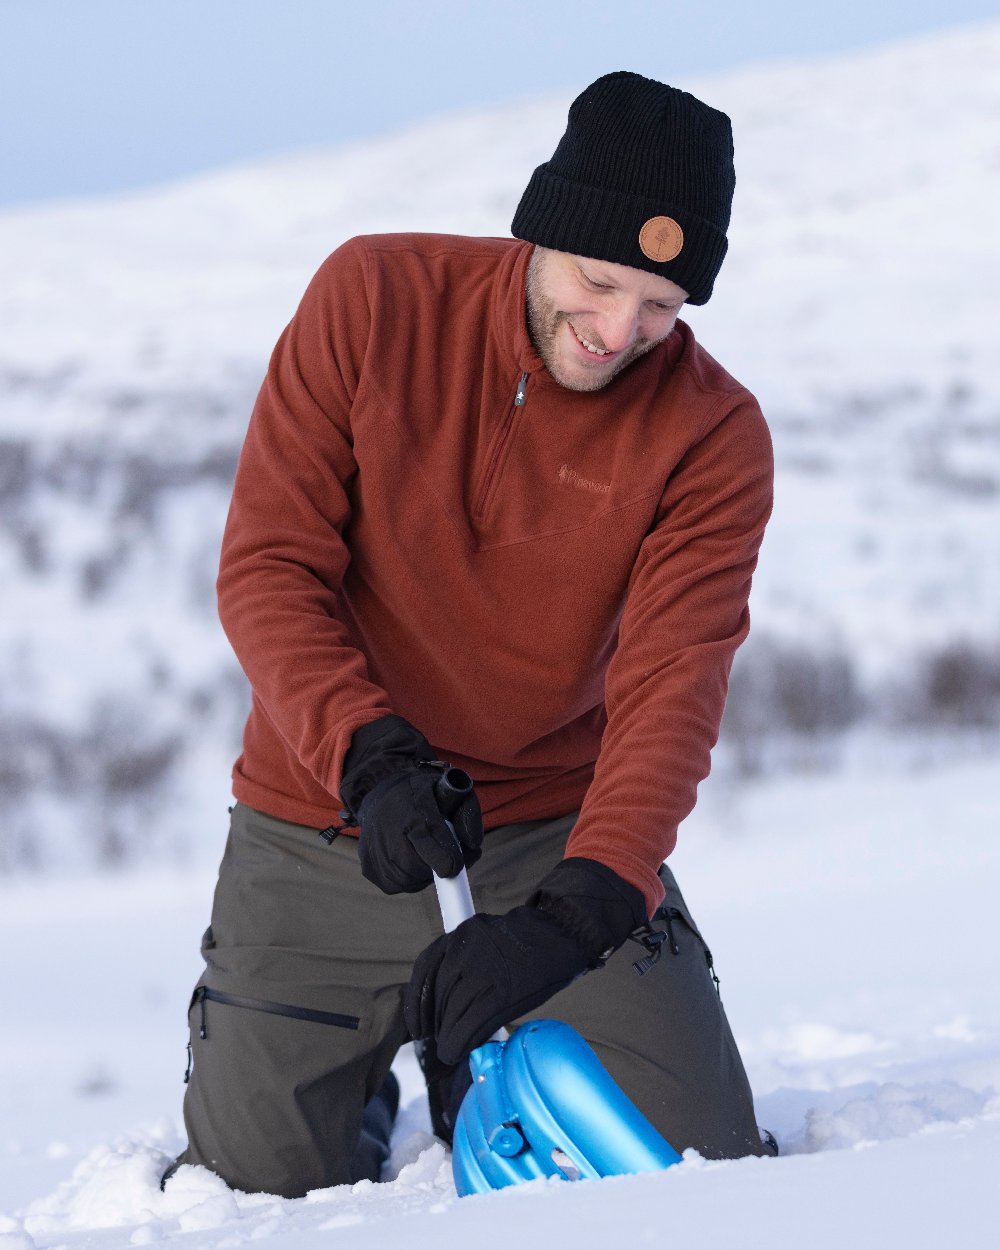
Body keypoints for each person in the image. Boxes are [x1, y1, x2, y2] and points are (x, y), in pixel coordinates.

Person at [164, 70, 775, 1199]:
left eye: (661, 305)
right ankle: (373, 1079)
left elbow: (670, 684)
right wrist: (367, 752)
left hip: (547, 828)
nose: (617, 330)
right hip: (329, 813)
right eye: (598, 282)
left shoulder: (714, 434)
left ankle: (476, 1053)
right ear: (543, 229)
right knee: (249, 1188)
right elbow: (269, 566)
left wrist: (586, 899)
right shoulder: (372, 298)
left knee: (701, 1163)